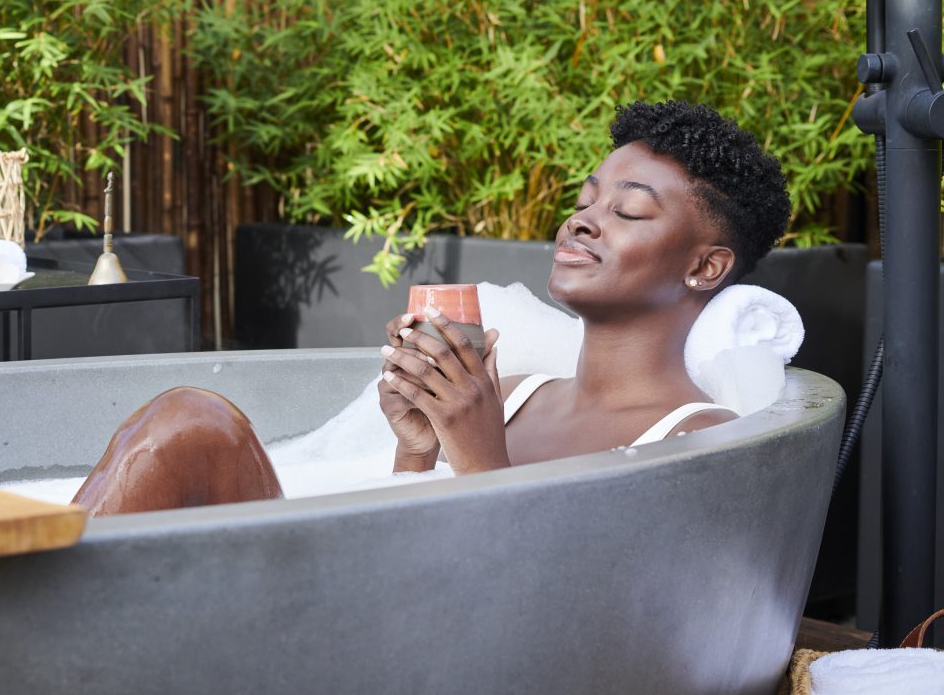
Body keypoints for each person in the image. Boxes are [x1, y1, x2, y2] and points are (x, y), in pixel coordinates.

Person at [72, 100, 793, 515]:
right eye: (584, 200)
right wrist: (415, 452)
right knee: (192, 423)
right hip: (370, 623)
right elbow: (400, 549)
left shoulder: (700, 438)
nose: (581, 221)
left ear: (706, 266)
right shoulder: (511, 397)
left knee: (195, 425)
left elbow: (584, 618)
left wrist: (478, 459)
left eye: (629, 213)